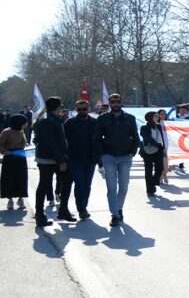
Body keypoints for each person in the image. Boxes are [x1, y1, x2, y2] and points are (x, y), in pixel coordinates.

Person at [94, 93, 140, 228]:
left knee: (124, 186)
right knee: (111, 187)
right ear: (109, 103)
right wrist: (102, 155)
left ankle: (119, 209)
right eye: (113, 102)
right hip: (109, 156)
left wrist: (132, 152)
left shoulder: (129, 118)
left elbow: (136, 138)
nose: (115, 104)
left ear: (121, 102)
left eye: (117, 101)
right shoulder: (103, 119)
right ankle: (114, 215)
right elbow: (97, 138)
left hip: (126, 157)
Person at [32, 97, 69, 227]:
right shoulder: (48, 122)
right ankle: (40, 214)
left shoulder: (51, 120)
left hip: (51, 157)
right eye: (60, 107)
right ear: (57, 108)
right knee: (44, 185)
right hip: (49, 158)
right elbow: (51, 143)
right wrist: (61, 160)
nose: (61, 109)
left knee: (61, 181)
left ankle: (61, 210)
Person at [62, 100, 97, 220]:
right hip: (75, 158)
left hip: (90, 158)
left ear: (88, 109)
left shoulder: (94, 122)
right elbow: (62, 140)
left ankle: (84, 206)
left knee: (87, 184)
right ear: (76, 110)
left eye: (84, 109)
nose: (82, 111)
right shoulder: (70, 123)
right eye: (79, 109)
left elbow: (99, 140)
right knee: (80, 183)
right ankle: (81, 209)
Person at [1, 115, 29, 210]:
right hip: (9, 157)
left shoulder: (21, 131)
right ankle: (10, 200)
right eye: (24, 122)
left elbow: (24, 143)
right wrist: (5, 151)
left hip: (20, 157)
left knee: (21, 177)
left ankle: (21, 199)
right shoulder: (6, 132)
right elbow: (0, 144)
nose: (25, 124)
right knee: (9, 177)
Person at [139, 111, 166, 197]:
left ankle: (153, 182)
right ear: (150, 117)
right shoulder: (144, 128)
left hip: (159, 150)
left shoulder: (158, 126)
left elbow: (162, 138)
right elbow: (148, 138)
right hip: (148, 151)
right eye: (156, 116)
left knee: (160, 168)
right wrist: (158, 145)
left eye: (158, 116)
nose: (158, 117)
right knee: (148, 170)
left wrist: (163, 148)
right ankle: (150, 190)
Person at [174, 106, 189, 173]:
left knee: (182, 151)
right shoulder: (175, 117)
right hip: (175, 135)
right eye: (181, 110)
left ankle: (181, 165)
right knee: (175, 150)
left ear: (186, 111)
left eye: (184, 110)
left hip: (184, 136)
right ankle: (173, 162)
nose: (183, 111)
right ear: (179, 110)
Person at [157, 109, 170, 185]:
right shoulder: (157, 124)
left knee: (166, 164)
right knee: (160, 163)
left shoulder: (169, 124)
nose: (162, 115)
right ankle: (161, 176)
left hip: (168, 146)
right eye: (161, 114)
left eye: (164, 114)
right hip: (160, 147)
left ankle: (164, 174)